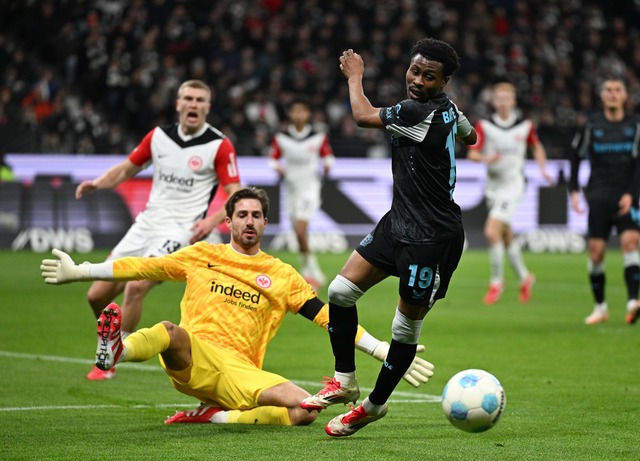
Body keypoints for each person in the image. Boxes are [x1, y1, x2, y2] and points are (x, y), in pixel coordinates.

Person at [40, 187, 435, 427]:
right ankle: (118, 350)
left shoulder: (280, 274)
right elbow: (144, 265)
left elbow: (328, 317)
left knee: (305, 411)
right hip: (190, 355)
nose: (250, 221)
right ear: (228, 221)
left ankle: (216, 415)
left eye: (257, 216)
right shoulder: (201, 255)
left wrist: (381, 348)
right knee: (169, 330)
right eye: (242, 215)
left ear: (265, 223)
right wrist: (82, 271)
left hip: (239, 372)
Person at [300, 38, 477, 436]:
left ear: (444, 81)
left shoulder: (417, 110)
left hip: (431, 237)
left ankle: (374, 406)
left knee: (403, 330)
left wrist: (355, 76)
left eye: (429, 77)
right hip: (398, 222)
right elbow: (472, 137)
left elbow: (362, 115)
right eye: (415, 71)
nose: (417, 80)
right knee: (341, 291)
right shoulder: (447, 107)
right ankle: (344, 380)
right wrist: (456, 128)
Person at [75, 79, 242, 380]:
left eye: (200, 100)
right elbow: (128, 168)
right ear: (177, 103)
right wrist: (97, 183)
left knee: (137, 284)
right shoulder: (158, 137)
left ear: (208, 107)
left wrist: (210, 221)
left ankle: (116, 354)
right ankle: (110, 342)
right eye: (188, 98)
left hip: (181, 231)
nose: (193, 104)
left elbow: (235, 192)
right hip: (146, 224)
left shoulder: (219, 145)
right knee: (96, 294)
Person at [466, 82, 554, 305]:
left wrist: (543, 168)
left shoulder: (525, 125)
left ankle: (497, 282)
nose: (503, 102)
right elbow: (472, 154)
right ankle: (525, 277)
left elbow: (537, 146)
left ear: (513, 101)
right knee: (505, 235)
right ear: (494, 101)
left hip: (514, 186)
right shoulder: (485, 126)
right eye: (499, 98)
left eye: (507, 98)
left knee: (491, 231)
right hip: (493, 188)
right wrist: (487, 159)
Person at [569, 78, 640, 325]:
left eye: (617, 90)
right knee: (596, 253)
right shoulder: (591, 125)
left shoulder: (635, 125)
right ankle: (600, 308)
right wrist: (574, 190)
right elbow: (576, 157)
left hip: (628, 196)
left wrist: (632, 193)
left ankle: (633, 302)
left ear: (624, 96)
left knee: (630, 242)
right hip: (598, 195)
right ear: (602, 96)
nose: (612, 94)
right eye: (608, 90)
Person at [268, 97, 335, 289]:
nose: (298, 114)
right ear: (290, 114)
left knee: (300, 229)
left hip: (310, 189)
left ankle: (312, 273)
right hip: (290, 191)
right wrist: (277, 168)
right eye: (295, 111)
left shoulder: (317, 137)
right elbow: (272, 159)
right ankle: (311, 272)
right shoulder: (282, 138)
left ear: (308, 114)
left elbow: (328, 156)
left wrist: (328, 166)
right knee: (298, 234)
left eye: (302, 111)